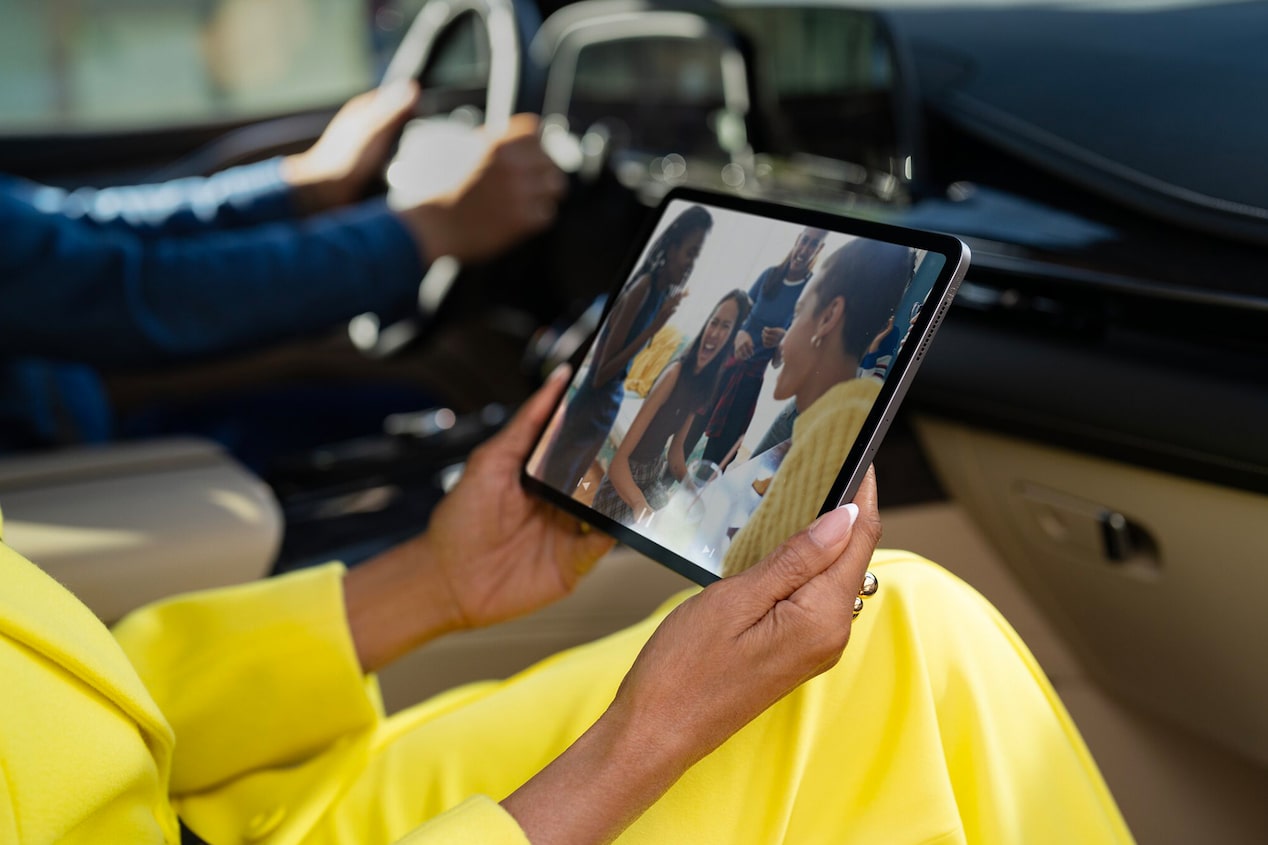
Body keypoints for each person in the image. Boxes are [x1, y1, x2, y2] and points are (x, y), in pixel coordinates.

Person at [0, 364, 1134, 844]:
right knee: (908, 640)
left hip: (199, 796)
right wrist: (633, 752)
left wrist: (428, 584)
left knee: (901, 627)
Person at [0, 81, 565, 451]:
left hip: (76, 411)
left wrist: (304, 185)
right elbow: (141, 296)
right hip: (65, 463)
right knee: (445, 429)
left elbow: (70, 229)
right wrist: (430, 229)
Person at [722, 238, 914, 578]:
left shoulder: (847, 418)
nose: (784, 340)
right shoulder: (834, 415)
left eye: (798, 314)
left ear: (828, 318)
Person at [535, 206, 712, 494]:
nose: (691, 263)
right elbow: (601, 374)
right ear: (671, 248)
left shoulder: (660, 293)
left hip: (608, 405)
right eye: (690, 252)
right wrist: (654, 327)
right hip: (591, 405)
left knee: (567, 488)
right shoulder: (642, 288)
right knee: (550, 485)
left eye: (697, 255)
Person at [591, 289, 752, 524]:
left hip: (651, 476)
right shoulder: (674, 374)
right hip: (623, 483)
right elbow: (617, 465)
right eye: (714, 322)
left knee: (675, 524)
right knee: (648, 529)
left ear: (732, 338)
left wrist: (694, 490)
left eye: (725, 326)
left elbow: (675, 454)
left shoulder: (701, 384)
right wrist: (640, 505)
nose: (715, 332)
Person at [699, 226, 827, 468]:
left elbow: (780, 361)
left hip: (749, 382)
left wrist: (783, 339)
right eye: (804, 240)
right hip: (723, 366)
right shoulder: (769, 275)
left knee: (719, 455)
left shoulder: (810, 293)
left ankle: (701, 488)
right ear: (797, 240)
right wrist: (739, 333)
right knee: (690, 431)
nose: (805, 248)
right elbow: (735, 317)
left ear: (819, 249)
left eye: (813, 244)